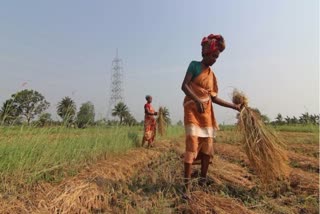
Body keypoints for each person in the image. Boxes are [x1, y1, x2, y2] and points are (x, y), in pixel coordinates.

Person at [181, 34, 241, 197]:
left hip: (206, 114)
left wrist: (234, 106)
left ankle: (202, 179)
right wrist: (196, 100)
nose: (215, 59)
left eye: (217, 57)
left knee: (207, 148)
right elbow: (184, 86)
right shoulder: (194, 65)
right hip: (193, 111)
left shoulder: (212, 76)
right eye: (214, 55)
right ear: (207, 52)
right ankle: (186, 186)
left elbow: (213, 98)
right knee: (192, 145)